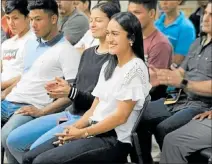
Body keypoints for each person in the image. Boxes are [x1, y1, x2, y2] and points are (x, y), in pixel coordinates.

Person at [22, 11, 151, 164]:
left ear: (131, 38)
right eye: (108, 33)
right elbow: (94, 108)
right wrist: (73, 128)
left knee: (41, 161)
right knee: (28, 157)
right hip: (93, 130)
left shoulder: (135, 68)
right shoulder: (110, 64)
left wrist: (82, 133)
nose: (109, 39)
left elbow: (120, 117)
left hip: (112, 139)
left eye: (115, 34)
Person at [6, 3, 120, 163]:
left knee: (33, 153)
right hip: (70, 113)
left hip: (89, 119)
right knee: (14, 140)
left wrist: (70, 93)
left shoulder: (116, 58)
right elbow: (77, 91)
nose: (92, 24)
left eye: (98, 20)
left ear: (114, 23)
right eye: (92, 19)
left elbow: (99, 104)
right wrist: (63, 91)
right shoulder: (88, 53)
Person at [1, 0, 81, 163]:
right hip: (9, 101)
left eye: (38, 19)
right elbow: (24, 78)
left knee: (7, 137)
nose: (33, 25)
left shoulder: (67, 51)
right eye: (31, 19)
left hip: (30, 106)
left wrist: (42, 112)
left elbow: (73, 93)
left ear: (53, 19)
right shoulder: (30, 45)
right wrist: (4, 94)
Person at [138, 1, 212, 163]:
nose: (205, 18)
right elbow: (181, 70)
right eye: (205, 13)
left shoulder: (186, 28)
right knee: (138, 114)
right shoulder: (197, 43)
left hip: (202, 104)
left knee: (165, 128)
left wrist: (184, 82)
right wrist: (165, 76)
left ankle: (174, 158)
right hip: (180, 98)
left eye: (211, 15)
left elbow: (187, 81)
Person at [128, 0, 172, 100]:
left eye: (137, 13)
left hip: (145, 100)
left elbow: (152, 86)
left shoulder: (160, 44)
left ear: (151, 13)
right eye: (130, 13)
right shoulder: (129, 37)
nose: (131, 18)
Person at [1, 0, 33, 93]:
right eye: (8, 18)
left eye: (15, 18)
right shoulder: (6, 44)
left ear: (27, 17)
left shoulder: (34, 41)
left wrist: (3, 88)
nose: (10, 23)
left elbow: (29, 75)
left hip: (18, 93)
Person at [155, 0, 196, 65]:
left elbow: (178, 61)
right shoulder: (156, 24)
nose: (164, 2)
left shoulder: (187, 27)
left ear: (179, 1)